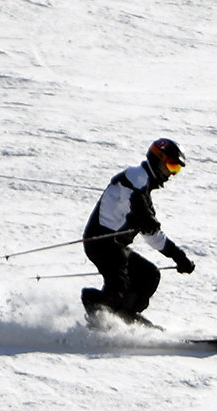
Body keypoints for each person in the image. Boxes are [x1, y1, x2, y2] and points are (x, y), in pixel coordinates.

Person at [79, 138, 196, 325]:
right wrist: (145, 217)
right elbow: (134, 198)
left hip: (116, 247)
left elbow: (152, 235)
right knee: (118, 286)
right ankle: (95, 305)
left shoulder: (144, 189)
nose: (172, 174)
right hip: (100, 243)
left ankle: (124, 315)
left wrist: (178, 257)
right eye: (172, 166)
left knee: (149, 275)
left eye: (177, 170)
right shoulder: (135, 176)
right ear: (158, 159)